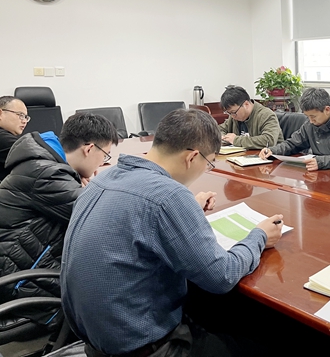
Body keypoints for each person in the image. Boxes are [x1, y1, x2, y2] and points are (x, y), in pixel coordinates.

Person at [61, 109, 283, 357]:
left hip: (97, 341)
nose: (206, 169)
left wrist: (186, 209)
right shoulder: (168, 196)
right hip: (143, 347)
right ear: (192, 157)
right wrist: (259, 236)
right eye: (209, 163)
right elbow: (222, 276)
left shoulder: (103, 179)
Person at [0, 112, 119, 321]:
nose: (102, 163)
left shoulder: (42, 163)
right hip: (22, 284)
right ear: (89, 149)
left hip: (21, 266)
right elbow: (105, 218)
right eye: (105, 156)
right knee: (117, 288)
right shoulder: (46, 175)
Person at [259, 88, 330, 171]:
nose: (310, 121)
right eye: (307, 116)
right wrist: (273, 151)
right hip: (317, 172)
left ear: (327, 110)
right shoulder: (310, 124)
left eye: (313, 116)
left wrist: (321, 162)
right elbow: (293, 143)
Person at [218, 85, 283, 149]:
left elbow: (269, 141)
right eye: (229, 113)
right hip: (243, 154)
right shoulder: (234, 116)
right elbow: (219, 129)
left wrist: (236, 140)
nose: (232, 116)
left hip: (270, 155)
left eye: (233, 112)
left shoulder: (266, 115)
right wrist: (223, 137)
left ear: (246, 104)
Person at [0, 96, 29, 181]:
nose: (24, 121)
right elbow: (32, 151)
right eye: (20, 115)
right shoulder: (3, 138)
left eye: (26, 117)